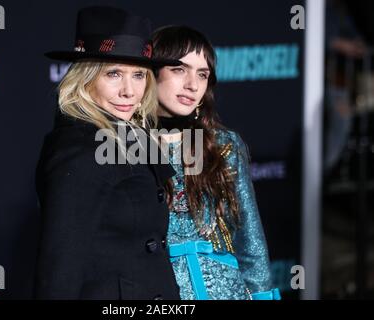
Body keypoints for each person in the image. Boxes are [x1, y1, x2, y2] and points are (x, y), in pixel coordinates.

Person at [33, 6, 182, 299]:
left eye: (139, 75)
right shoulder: (78, 151)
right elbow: (59, 271)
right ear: (86, 80)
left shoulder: (132, 137)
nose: (129, 91)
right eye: (113, 74)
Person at [151, 25, 281, 300]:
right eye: (179, 69)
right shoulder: (124, 146)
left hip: (226, 292)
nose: (192, 84)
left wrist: (263, 295)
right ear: (152, 71)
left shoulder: (223, 145)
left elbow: (250, 238)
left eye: (202, 74)